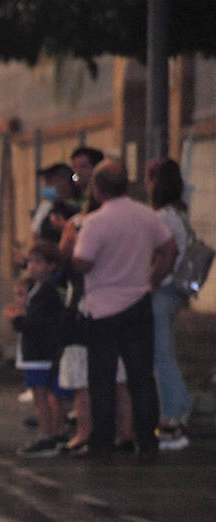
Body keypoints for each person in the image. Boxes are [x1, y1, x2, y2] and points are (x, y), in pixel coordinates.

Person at [65, 159, 177, 460]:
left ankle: (102, 442)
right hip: (139, 302)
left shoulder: (95, 222)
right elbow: (170, 250)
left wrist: (72, 246)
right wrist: (153, 279)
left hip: (102, 309)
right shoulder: (146, 216)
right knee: (141, 377)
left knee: (102, 378)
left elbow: (83, 263)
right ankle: (148, 440)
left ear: (97, 189)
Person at [146, 157, 194, 451]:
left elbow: (166, 252)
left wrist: (150, 282)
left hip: (162, 293)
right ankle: (179, 408)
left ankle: (172, 419)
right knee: (165, 354)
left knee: (161, 356)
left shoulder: (162, 216)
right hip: (174, 292)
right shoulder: (178, 214)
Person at [9, 241, 68, 456]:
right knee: (50, 396)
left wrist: (18, 320)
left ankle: (46, 436)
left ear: (51, 266)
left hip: (39, 353)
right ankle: (56, 431)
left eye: (39, 262)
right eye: (31, 262)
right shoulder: (39, 289)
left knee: (41, 396)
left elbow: (37, 323)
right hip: (42, 352)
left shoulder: (46, 292)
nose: (33, 266)